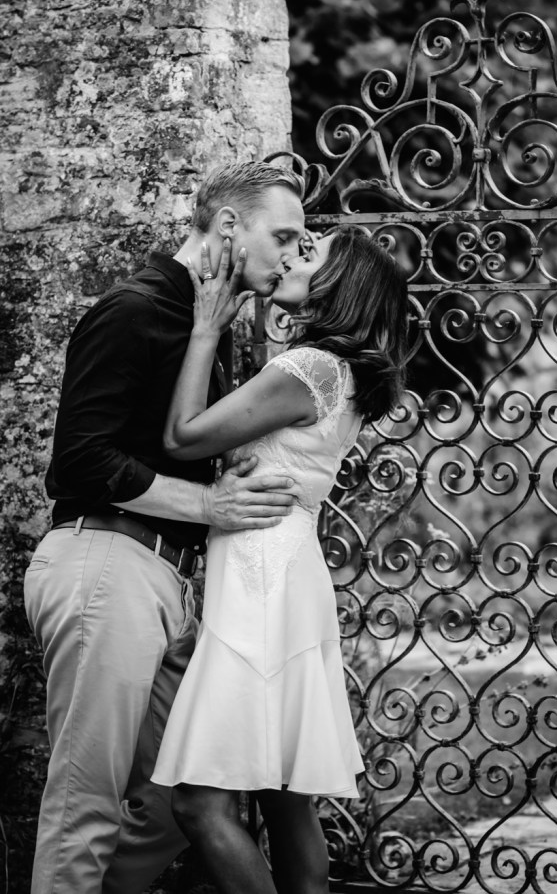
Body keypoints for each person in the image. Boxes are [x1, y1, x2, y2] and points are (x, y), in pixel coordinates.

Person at [23, 161, 308, 894]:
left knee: (177, 806)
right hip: (105, 562)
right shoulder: (134, 309)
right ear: (227, 225)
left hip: (169, 583)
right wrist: (209, 506)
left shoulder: (207, 323)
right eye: (282, 236)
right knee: (84, 805)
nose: (292, 254)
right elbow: (83, 458)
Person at [151, 225, 409, 894]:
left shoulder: (311, 368)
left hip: (261, 578)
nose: (293, 255)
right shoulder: (335, 371)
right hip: (283, 566)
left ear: (340, 283)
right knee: (285, 793)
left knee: (198, 804)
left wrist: (206, 328)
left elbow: (182, 436)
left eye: (310, 253)